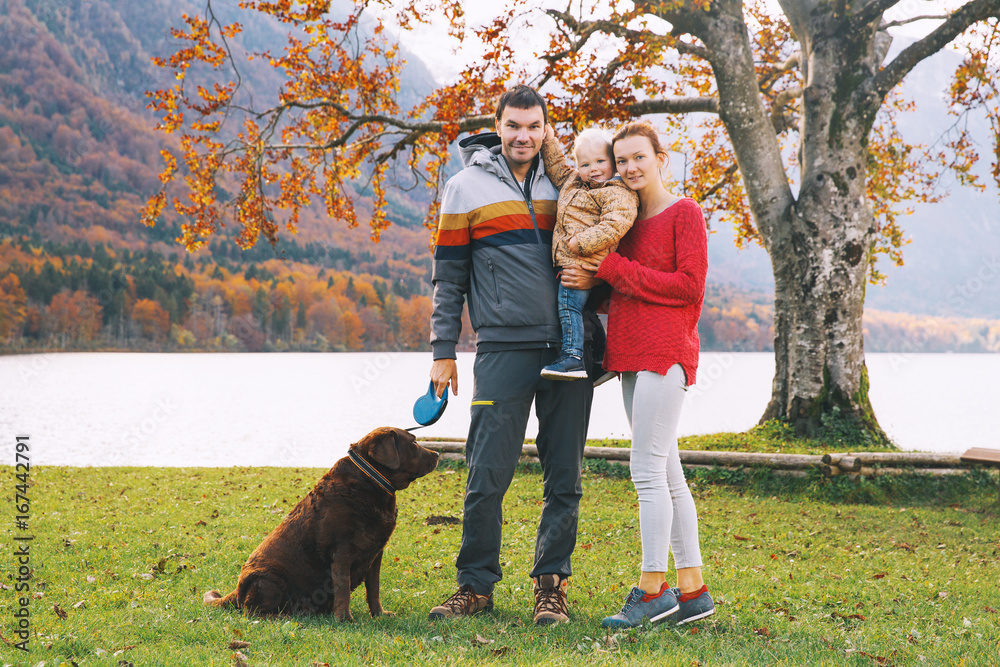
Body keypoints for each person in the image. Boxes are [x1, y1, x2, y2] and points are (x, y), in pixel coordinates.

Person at [426, 85, 595, 626]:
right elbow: (448, 277)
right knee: (486, 473)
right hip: (500, 349)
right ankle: (475, 586)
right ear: (497, 127)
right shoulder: (464, 187)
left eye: (534, 126)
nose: (524, 136)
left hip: (569, 351)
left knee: (564, 475)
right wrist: (442, 351)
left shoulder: (569, 183)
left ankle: (552, 587)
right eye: (514, 125)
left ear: (547, 129)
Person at [561, 120, 715, 628]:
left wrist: (607, 268)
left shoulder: (684, 213)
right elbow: (618, 288)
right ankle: (692, 591)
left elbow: (689, 288)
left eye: (637, 158)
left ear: (659, 159)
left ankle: (653, 589)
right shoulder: (623, 222)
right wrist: (590, 274)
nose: (628, 168)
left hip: (665, 354)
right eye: (620, 160)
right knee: (668, 474)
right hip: (628, 356)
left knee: (646, 472)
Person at [537, 125, 638, 381]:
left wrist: (581, 243)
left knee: (568, 306)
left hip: (583, 262)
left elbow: (616, 224)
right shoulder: (574, 182)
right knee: (582, 311)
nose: (592, 168)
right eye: (584, 163)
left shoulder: (617, 193)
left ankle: (572, 356)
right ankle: (600, 360)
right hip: (570, 260)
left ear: (613, 163)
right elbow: (557, 167)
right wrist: (549, 141)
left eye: (600, 161)